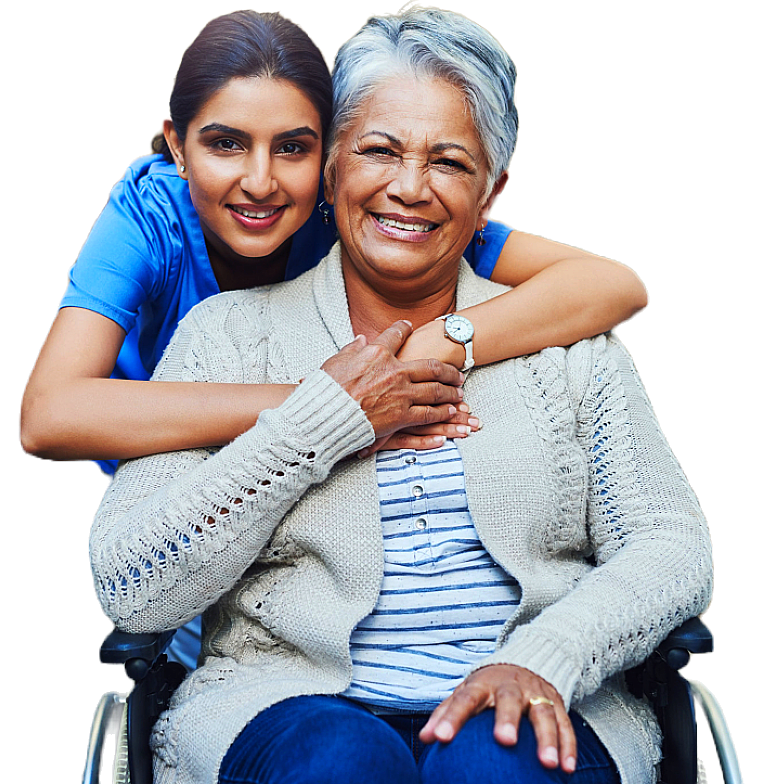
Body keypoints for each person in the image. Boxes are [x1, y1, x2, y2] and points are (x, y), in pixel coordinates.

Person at [88, 7, 713, 783]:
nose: (409, 188)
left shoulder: (571, 348)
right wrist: (321, 423)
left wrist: (548, 658)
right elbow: (131, 588)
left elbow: (671, 544)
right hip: (281, 701)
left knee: (498, 759)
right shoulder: (226, 335)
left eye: (449, 162)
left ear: (491, 193)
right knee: (339, 760)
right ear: (332, 168)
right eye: (379, 150)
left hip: (543, 701)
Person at [19, 9, 649, 479]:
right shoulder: (150, 214)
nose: (260, 181)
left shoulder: (366, 214)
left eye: (292, 146)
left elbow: (614, 285)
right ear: (178, 146)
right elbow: (48, 416)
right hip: (185, 493)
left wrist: (437, 343)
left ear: (327, 157)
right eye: (225, 143)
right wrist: (332, 402)